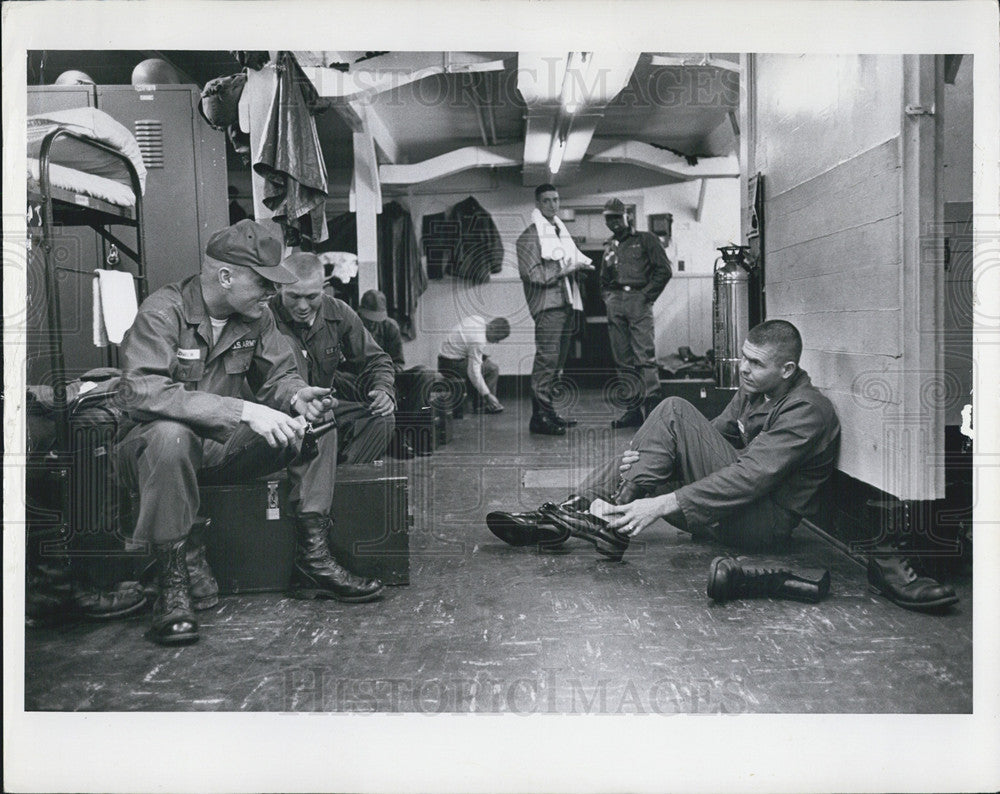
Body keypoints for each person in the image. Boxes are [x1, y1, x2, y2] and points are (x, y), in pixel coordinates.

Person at [117, 220, 384, 647]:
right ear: (226, 277)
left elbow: (279, 376)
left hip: (219, 450)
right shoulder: (162, 311)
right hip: (156, 458)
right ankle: (172, 584)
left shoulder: (256, 318)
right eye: (263, 282)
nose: (270, 293)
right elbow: (142, 391)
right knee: (171, 435)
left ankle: (312, 560)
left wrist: (298, 398)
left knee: (317, 421)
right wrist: (243, 410)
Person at [271, 253, 397, 465]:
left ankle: (340, 481)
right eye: (293, 296)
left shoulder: (339, 313)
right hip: (280, 413)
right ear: (279, 287)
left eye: (311, 297)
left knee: (381, 419)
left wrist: (384, 388)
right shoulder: (264, 316)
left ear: (324, 287)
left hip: (323, 410)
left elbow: (376, 360)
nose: (302, 306)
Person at [516, 184, 594, 435]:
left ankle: (548, 413)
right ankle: (539, 417)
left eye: (556, 200)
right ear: (538, 204)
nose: (553, 205)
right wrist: (563, 271)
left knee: (557, 362)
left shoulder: (559, 232)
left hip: (565, 303)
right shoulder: (530, 236)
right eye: (547, 200)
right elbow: (531, 274)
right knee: (547, 360)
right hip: (548, 307)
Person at [599, 197, 672, 428]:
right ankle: (632, 411)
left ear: (627, 216)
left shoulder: (646, 240)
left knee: (645, 358)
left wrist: (646, 296)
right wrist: (609, 299)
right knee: (623, 360)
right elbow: (603, 279)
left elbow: (664, 270)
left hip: (638, 300)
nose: (613, 222)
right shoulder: (609, 245)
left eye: (616, 217)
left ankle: (652, 412)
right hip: (616, 302)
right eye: (608, 218)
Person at [437, 315, 510, 417]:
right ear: (492, 328)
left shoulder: (477, 319)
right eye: (497, 338)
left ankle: (481, 403)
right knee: (492, 369)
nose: (497, 342)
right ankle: (485, 404)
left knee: (487, 365)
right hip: (451, 365)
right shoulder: (478, 340)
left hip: (444, 359)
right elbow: (473, 372)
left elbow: (464, 341)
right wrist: (487, 394)